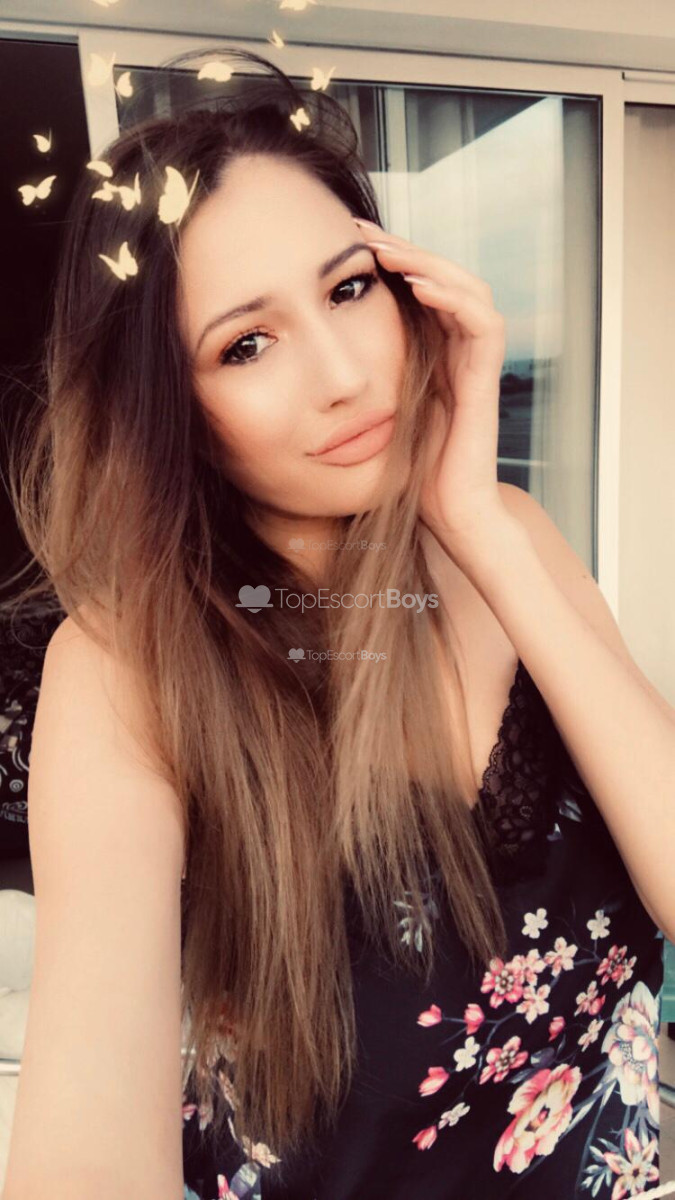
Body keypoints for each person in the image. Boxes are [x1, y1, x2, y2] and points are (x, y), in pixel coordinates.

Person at [1, 44, 673, 1200]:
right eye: (245, 344)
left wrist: (476, 521)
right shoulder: (126, 671)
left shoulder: (507, 536)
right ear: (170, 410)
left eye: (350, 288)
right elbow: (86, 1155)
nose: (347, 376)